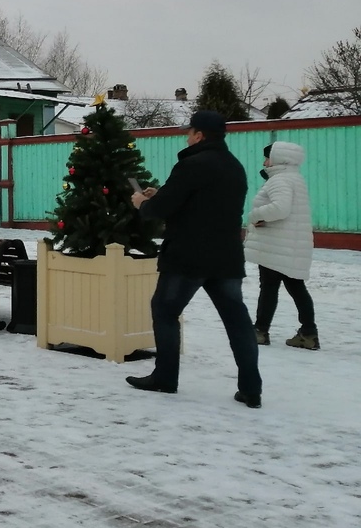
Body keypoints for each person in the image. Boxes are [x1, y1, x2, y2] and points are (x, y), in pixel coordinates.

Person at [131, 110, 263, 408]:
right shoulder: (234, 166)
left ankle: (165, 377)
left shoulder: (191, 164)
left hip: (187, 256)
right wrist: (161, 193)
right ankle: (251, 388)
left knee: (164, 310)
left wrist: (143, 202)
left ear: (199, 135)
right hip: (226, 256)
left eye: (189, 132)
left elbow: (162, 209)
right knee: (237, 321)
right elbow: (202, 202)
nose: (186, 136)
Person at [246, 142, 317, 350]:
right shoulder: (295, 178)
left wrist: (255, 216)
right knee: (296, 287)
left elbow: (281, 208)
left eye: (268, 157)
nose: (265, 162)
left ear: (279, 159)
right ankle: (309, 333)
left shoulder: (280, 180)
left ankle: (260, 330)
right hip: (290, 244)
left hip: (276, 244)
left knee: (268, 287)